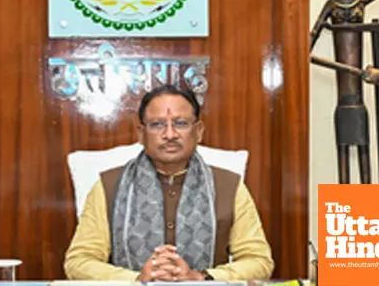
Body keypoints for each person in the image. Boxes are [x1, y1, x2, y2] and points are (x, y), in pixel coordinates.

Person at [64, 85, 274, 281]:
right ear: (141, 134)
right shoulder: (108, 185)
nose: (170, 134)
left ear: (199, 131)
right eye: (157, 125)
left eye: (181, 123)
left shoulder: (229, 185)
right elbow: (78, 261)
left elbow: (259, 260)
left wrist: (201, 278)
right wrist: (137, 279)